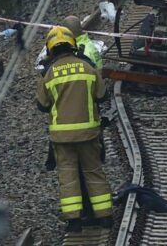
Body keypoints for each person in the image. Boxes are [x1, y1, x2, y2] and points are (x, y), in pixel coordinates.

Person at [36, 26, 113, 232]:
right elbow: (102, 95)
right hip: (89, 133)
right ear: (73, 45)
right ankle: (105, 216)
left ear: (51, 50)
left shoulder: (50, 74)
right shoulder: (88, 68)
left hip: (62, 137)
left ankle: (74, 221)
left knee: (68, 176)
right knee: (93, 172)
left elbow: (42, 105)